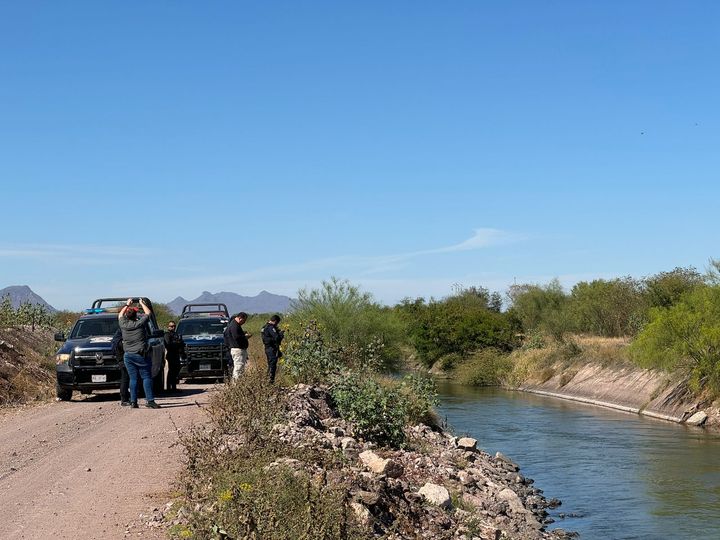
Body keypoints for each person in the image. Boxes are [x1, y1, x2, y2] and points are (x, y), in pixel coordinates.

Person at [118, 298, 161, 409]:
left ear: (127, 316)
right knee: (146, 377)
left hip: (128, 355)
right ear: (136, 315)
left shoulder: (123, 324)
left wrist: (127, 304)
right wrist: (142, 303)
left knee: (133, 379)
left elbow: (120, 314)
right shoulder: (140, 323)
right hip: (140, 354)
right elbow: (148, 313)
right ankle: (150, 401)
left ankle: (133, 401)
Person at [224, 312, 250, 379]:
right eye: (244, 320)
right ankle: (237, 385)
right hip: (238, 349)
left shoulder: (234, 324)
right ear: (240, 318)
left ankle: (237, 384)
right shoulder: (235, 325)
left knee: (239, 368)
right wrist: (245, 337)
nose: (244, 322)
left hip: (236, 349)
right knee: (238, 368)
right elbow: (237, 337)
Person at [261, 314, 284, 383]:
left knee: (270, 364)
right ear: (275, 321)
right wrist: (281, 334)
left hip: (267, 348)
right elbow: (276, 338)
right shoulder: (271, 327)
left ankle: (268, 381)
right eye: (277, 323)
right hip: (272, 349)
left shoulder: (264, 327)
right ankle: (270, 382)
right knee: (272, 365)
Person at [164, 320, 186, 392]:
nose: (173, 327)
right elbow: (168, 344)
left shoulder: (176, 334)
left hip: (176, 354)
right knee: (171, 371)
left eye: (174, 326)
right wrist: (177, 343)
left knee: (176, 371)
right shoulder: (167, 334)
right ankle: (169, 387)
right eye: (171, 326)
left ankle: (173, 387)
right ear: (168, 327)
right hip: (171, 354)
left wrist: (180, 346)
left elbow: (181, 344)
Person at [111, 328, 131, 406]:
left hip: (123, 358)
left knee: (127, 378)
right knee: (125, 378)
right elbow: (118, 346)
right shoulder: (121, 333)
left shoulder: (120, 332)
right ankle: (125, 399)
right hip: (123, 358)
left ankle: (128, 398)